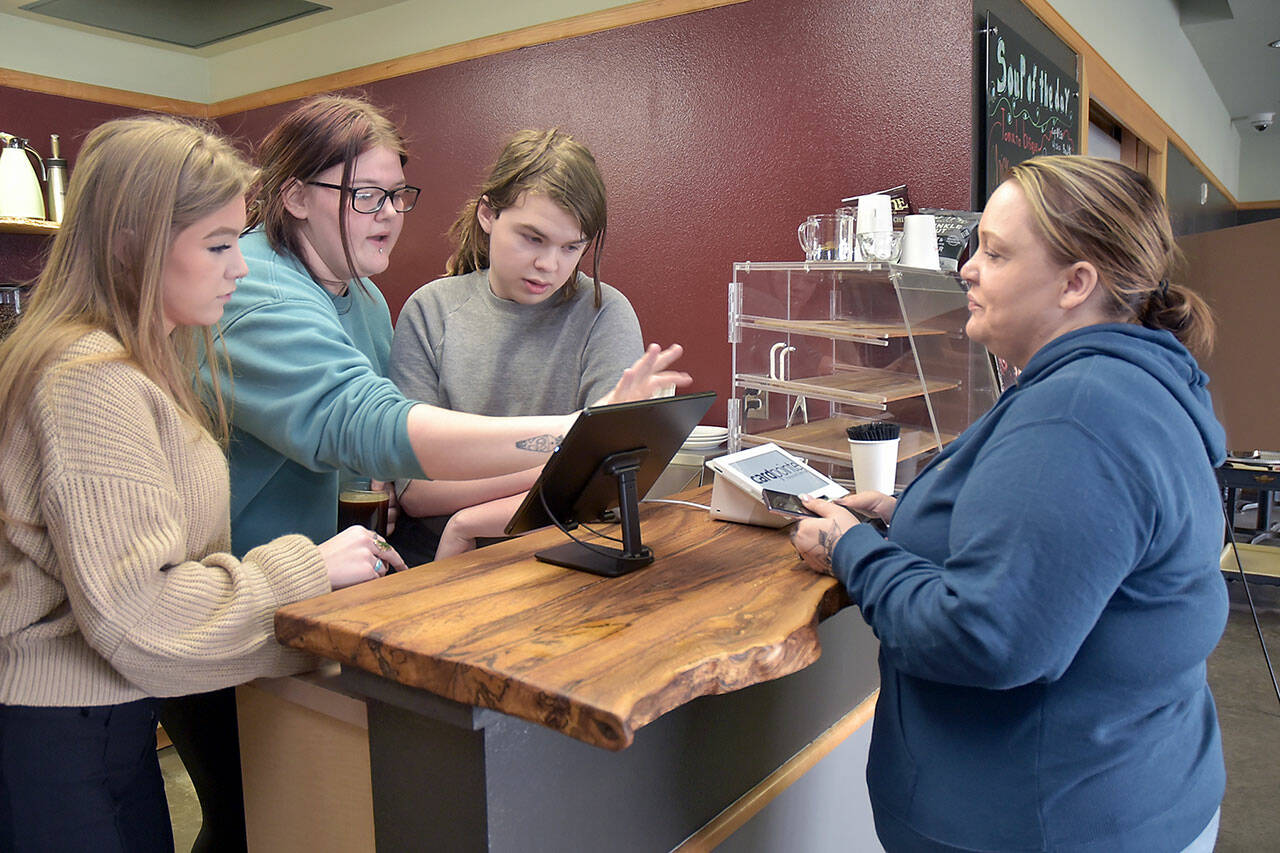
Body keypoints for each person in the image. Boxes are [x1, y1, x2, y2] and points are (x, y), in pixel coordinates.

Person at [163, 95, 687, 851]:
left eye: (395, 195)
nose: (387, 215)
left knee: (308, 807)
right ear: (296, 197)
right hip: (219, 594)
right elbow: (373, 429)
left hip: (302, 590)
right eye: (362, 196)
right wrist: (578, 434)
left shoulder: (366, 298)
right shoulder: (257, 292)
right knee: (252, 815)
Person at [790, 155, 1227, 852]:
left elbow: (986, 637)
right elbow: (1066, 547)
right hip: (1142, 790)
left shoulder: (1079, 414)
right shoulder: (1126, 383)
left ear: (1075, 283)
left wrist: (853, 551)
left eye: (994, 253)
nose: (967, 269)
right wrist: (906, 517)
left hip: (1062, 825)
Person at [0, 116, 398, 852]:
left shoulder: (141, 362)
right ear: (133, 246)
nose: (240, 267)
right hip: (55, 743)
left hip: (105, 727)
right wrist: (310, 570)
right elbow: (140, 617)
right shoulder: (87, 380)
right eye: (218, 245)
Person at [388, 128, 643, 562]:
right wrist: (552, 470)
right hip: (435, 565)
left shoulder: (605, 312)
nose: (549, 265)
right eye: (533, 238)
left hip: (563, 553)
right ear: (488, 214)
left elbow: (607, 483)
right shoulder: (429, 311)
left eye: (571, 247)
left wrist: (469, 521)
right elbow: (416, 493)